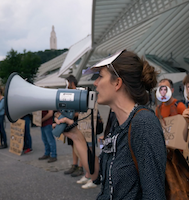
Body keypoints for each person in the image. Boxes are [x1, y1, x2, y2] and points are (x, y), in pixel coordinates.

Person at [54, 50, 167, 199]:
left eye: (100, 77)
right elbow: (96, 176)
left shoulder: (144, 124)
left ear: (117, 83)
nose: (95, 83)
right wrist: (75, 135)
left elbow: (154, 195)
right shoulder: (117, 122)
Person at [63, 75, 84, 177]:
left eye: (67, 83)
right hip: (70, 122)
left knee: (79, 144)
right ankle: (74, 164)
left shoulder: (80, 94)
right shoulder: (69, 94)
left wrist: (70, 115)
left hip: (78, 123)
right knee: (73, 145)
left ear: (71, 83)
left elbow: (82, 112)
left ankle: (81, 166)